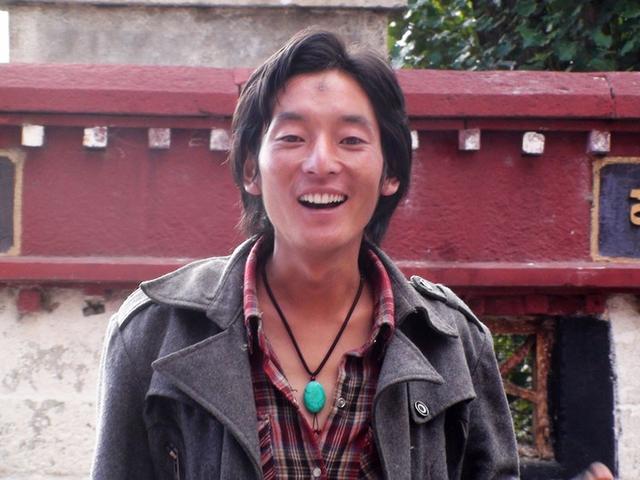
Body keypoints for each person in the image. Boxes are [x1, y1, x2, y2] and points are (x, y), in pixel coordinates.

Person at [91, 30, 610, 480]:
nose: (321, 162)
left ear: (390, 173)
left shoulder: (451, 344)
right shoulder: (155, 334)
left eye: (351, 140)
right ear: (251, 169)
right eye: (292, 137)